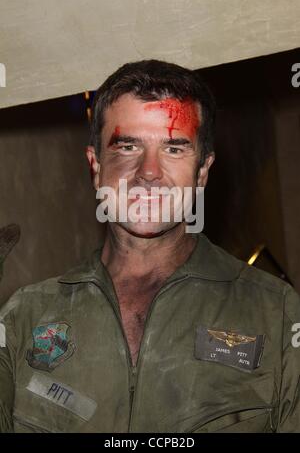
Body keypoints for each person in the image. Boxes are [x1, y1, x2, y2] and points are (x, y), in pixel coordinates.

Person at [1, 60, 300, 433]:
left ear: (202, 173)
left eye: (174, 149)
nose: (148, 172)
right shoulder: (22, 317)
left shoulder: (277, 310)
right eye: (127, 146)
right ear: (96, 167)